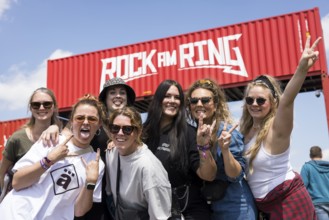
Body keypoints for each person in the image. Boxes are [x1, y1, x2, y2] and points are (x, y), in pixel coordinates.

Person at [240, 35, 322, 219]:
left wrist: (302, 69)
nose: (255, 103)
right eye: (250, 99)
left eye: (261, 100)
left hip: (290, 202)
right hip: (265, 208)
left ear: (271, 103)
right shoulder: (244, 132)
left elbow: (287, 101)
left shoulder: (276, 130)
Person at [41, 77, 136, 220]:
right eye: (112, 93)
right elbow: (67, 135)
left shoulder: (134, 125)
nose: (118, 96)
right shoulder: (93, 121)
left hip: (122, 192)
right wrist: (53, 127)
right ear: (105, 98)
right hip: (92, 190)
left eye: (122, 93)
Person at [0, 94, 105, 219]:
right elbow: (17, 182)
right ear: (71, 121)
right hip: (15, 214)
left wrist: (90, 182)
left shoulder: (97, 164)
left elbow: (78, 211)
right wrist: (48, 160)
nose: (86, 122)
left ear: (99, 124)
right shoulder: (51, 140)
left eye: (92, 119)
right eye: (80, 118)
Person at [142, 79, 217, 219]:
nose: (172, 101)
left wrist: (203, 147)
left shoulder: (189, 133)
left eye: (177, 98)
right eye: (167, 96)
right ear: (158, 99)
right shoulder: (142, 133)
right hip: (152, 209)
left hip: (187, 211)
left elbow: (208, 175)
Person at [185, 78, 257, 219]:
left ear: (216, 104)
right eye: (194, 101)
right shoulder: (193, 134)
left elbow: (235, 176)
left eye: (205, 100)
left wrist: (225, 150)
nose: (199, 104)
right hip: (212, 207)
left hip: (236, 208)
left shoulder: (227, 132)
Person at [105, 107, 172, 220]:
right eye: (115, 128)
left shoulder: (149, 167)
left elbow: (160, 216)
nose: (120, 133)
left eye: (127, 129)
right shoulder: (111, 153)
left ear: (138, 132)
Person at [0, 87, 62, 199]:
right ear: (31, 108)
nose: (41, 108)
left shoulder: (61, 137)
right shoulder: (17, 139)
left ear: (54, 107)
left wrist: (55, 126)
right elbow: (2, 171)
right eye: (36, 105)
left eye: (47, 104)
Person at [301, 146, 329, 220]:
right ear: (321, 155)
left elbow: (302, 187)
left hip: (318, 203)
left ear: (310, 155)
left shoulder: (307, 167)